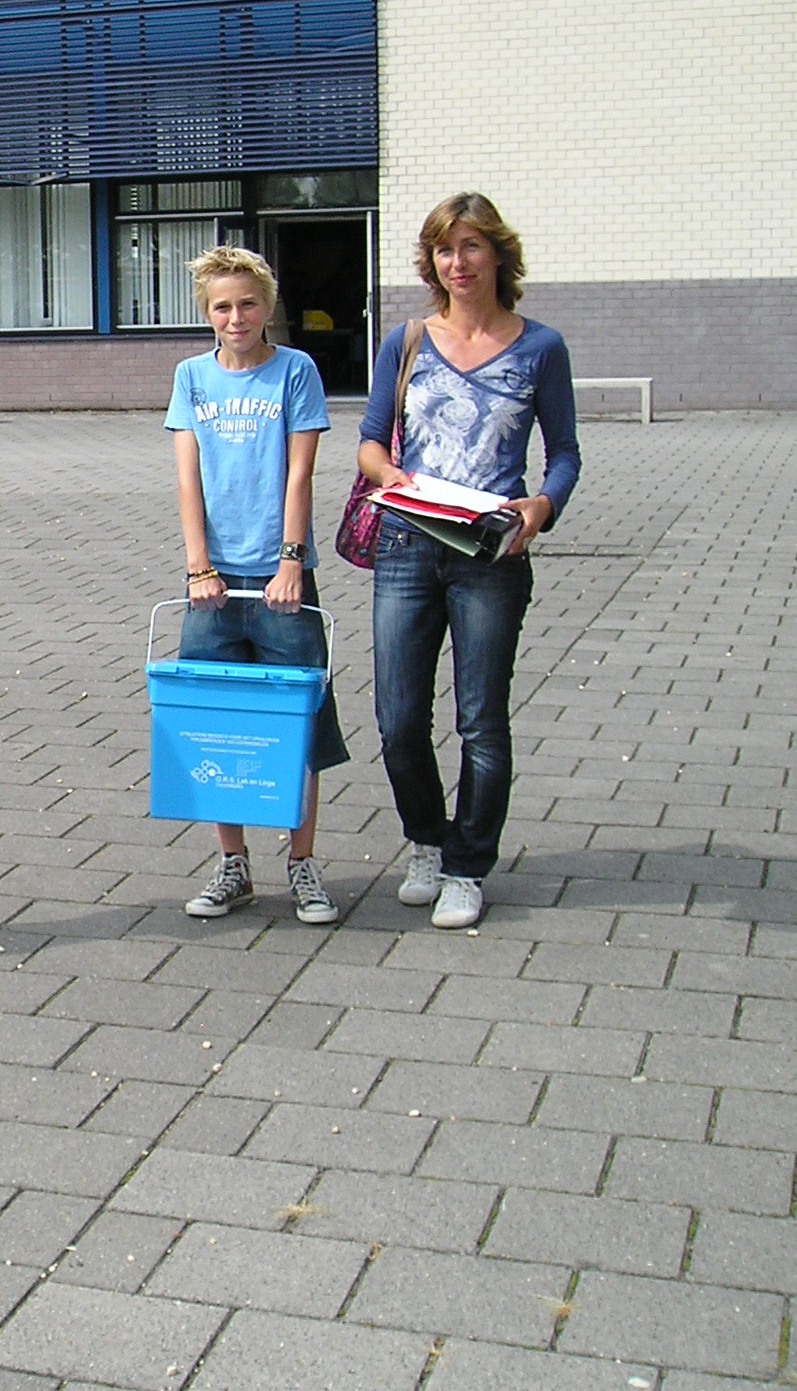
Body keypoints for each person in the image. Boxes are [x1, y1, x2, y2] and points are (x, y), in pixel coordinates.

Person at [357, 192, 579, 929]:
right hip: (407, 543)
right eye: (445, 249)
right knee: (397, 719)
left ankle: (467, 865)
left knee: (481, 719)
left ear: (497, 254)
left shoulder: (540, 347)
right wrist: (392, 476)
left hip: (491, 552)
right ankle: (427, 839)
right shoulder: (407, 340)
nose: (458, 262)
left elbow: (565, 453)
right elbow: (370, 441)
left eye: (471, 246)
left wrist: (541, 507)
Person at [165, 246, 347, 924]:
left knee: (299, 722)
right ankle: (233, 863)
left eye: (247, 304)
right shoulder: (191, 377)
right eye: (222, 306)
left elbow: (300, 472)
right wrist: (198, 566)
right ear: (206, 313)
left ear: (268, 306)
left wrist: (291, 560)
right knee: (216, 722)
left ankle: (302, 862)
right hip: (212, 581)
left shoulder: (295, 371)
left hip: (280, 577)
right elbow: (188, 477)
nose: (236, 317)